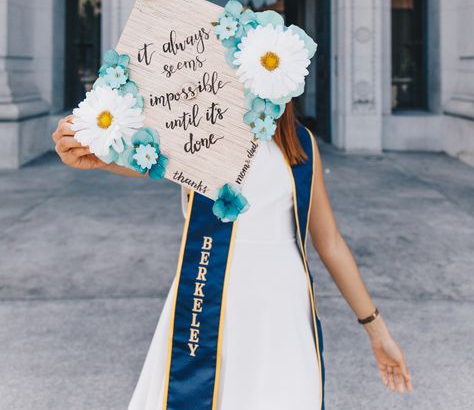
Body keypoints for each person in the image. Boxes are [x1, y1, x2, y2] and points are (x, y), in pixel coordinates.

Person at [53, 101, 412, 409]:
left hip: (282, 309)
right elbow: (139, 158)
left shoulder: (300, 143)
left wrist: (377, 330)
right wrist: (87, 147)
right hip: (211, 296)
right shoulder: (202, 132)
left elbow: (329, 241)